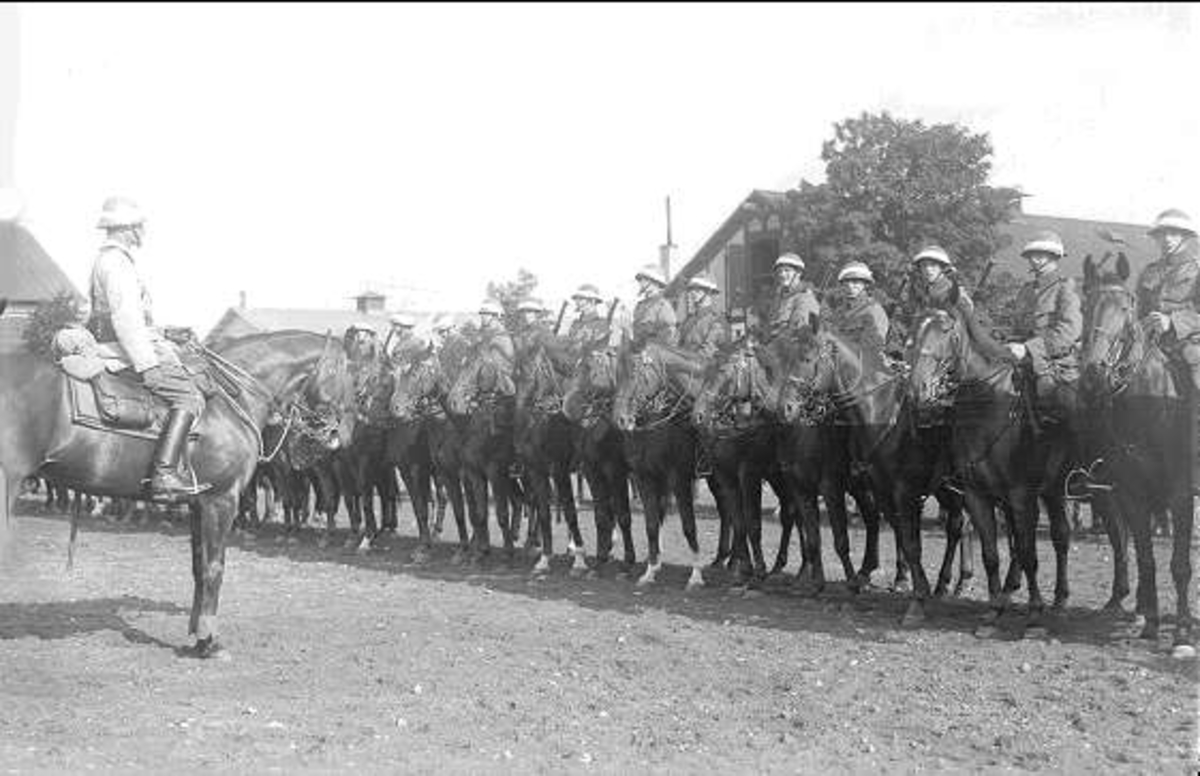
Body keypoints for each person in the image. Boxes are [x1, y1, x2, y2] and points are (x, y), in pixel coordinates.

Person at [85, 196, 210, 501]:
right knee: (190, 396)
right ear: (127, 228)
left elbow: (129, 319)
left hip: (119, 341)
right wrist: (148, 364)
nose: (143, 231)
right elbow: (125, 320)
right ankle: (164, 474)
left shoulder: (110, 259)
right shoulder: (117, 263)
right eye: (139, 226)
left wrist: (164, 332)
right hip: (121, 350)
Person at [1134, 207, 1200, 488]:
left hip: (1189, 343)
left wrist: (1173, 321)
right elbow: (1138, 312)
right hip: (1148, 344)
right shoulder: (1149, 271)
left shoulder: (1197, 269)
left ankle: (1195, 472)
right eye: (1162, 234)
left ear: (1186, 237)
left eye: (1174, 233)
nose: (1167, 239)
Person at [1005, 230, 1083, 425]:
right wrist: (1008, 342)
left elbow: (1069, 331)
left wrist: (1028, 348)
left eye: (1041, 255)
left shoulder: (1065, 287)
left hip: (1055, 364)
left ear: (1054, 257)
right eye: (1032, 255)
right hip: (1021, 360)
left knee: (1061, 416)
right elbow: (1017, 328)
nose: (1035, 259)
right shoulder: (1026, 290)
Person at [831, 261, 889, 349]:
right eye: (846, 282)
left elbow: (873, 347)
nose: (850, 286)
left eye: (855, 282)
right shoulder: (840, 310)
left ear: (865, 284)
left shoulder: (874, 311)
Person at [763, 252, 820, 341]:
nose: (782, 275)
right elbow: (771, 325)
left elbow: (797, 335)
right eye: (780, 271)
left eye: (787, 270)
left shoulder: (805, 298)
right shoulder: (780, 297)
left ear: (799, 273)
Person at [677, 274, 729, 358]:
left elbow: (706, 354)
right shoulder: (689, 320)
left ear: (708, 292)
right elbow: (676, 344)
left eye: (696, 290)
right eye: (689, 290)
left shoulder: (717, 320)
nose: (690, 294)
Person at [630, 264, 677, 349]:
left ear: (654, 282)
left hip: (654, 352)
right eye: (640, 280)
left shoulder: (663, 305)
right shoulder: (640, 306)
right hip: (638, 350)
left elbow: (669, 334)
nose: (641, 283)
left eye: (644, 280)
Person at [474, 299, 516, 397]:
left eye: (486, 314)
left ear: (495, 316)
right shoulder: (483, 334)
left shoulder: (502, 336)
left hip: (499, 384)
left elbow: (505, 364)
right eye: (482, 314)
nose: (482, 317)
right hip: (481, 379)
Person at [566, 283, 611, 357]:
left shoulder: (602, 324)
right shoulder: (575, 324)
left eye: (581, 299)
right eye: (577, 299)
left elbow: (597, 348)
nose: (577, 302)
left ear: (593, 301)